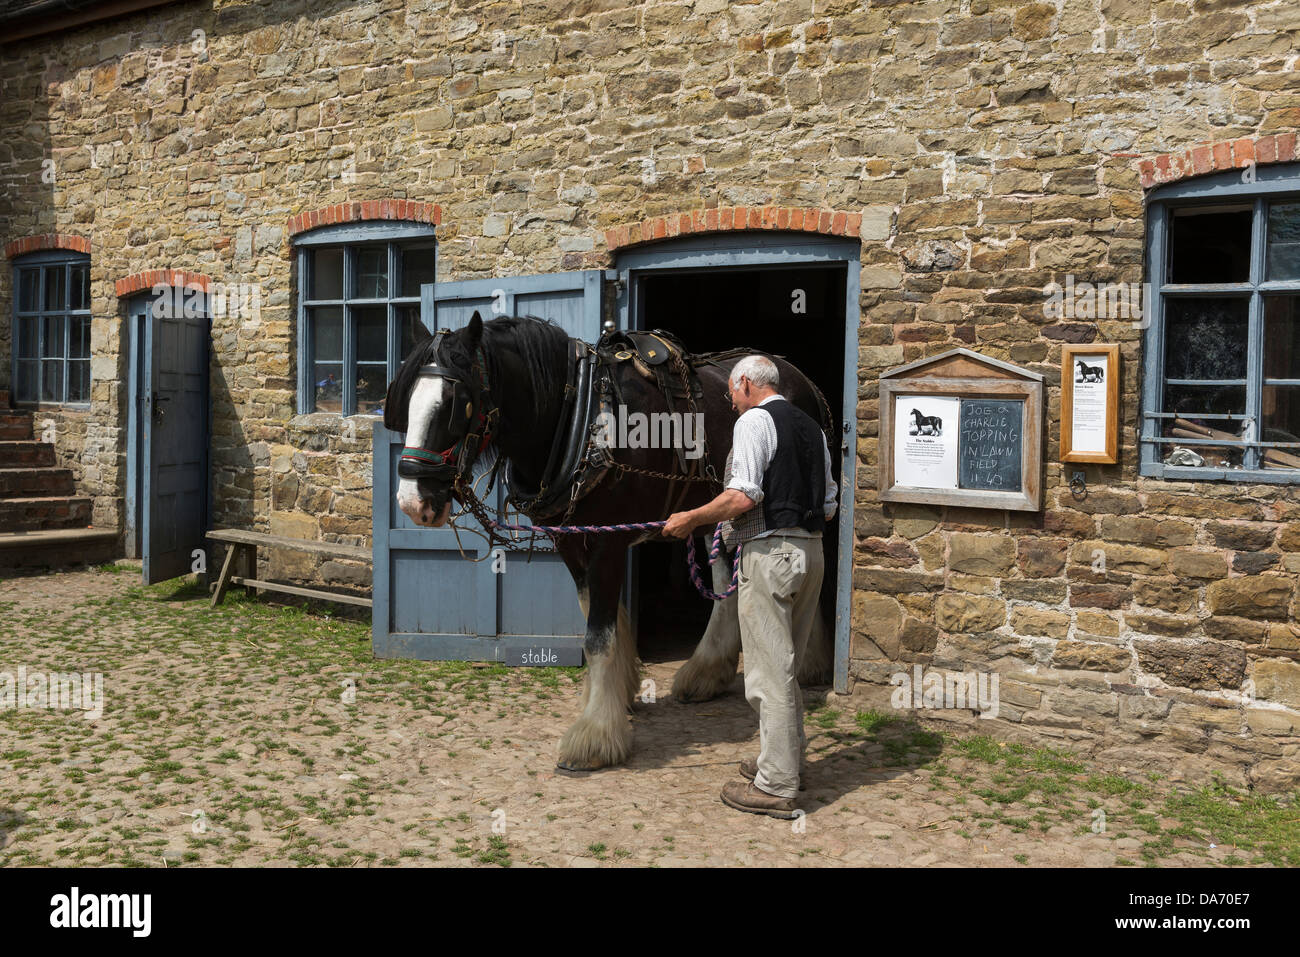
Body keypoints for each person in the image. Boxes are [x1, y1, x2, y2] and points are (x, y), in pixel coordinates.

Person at [663, 355, 837, 818]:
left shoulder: (754, 422)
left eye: (731, 394)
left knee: (766, 673)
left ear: (744, 383)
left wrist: (691, 519)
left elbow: (742, 495)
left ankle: (777, 784)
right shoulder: (811, 429)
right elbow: (831, 505)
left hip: (771, 557)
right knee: (789, 664)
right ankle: (786, 759)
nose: (731, 403)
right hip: (812, 554)